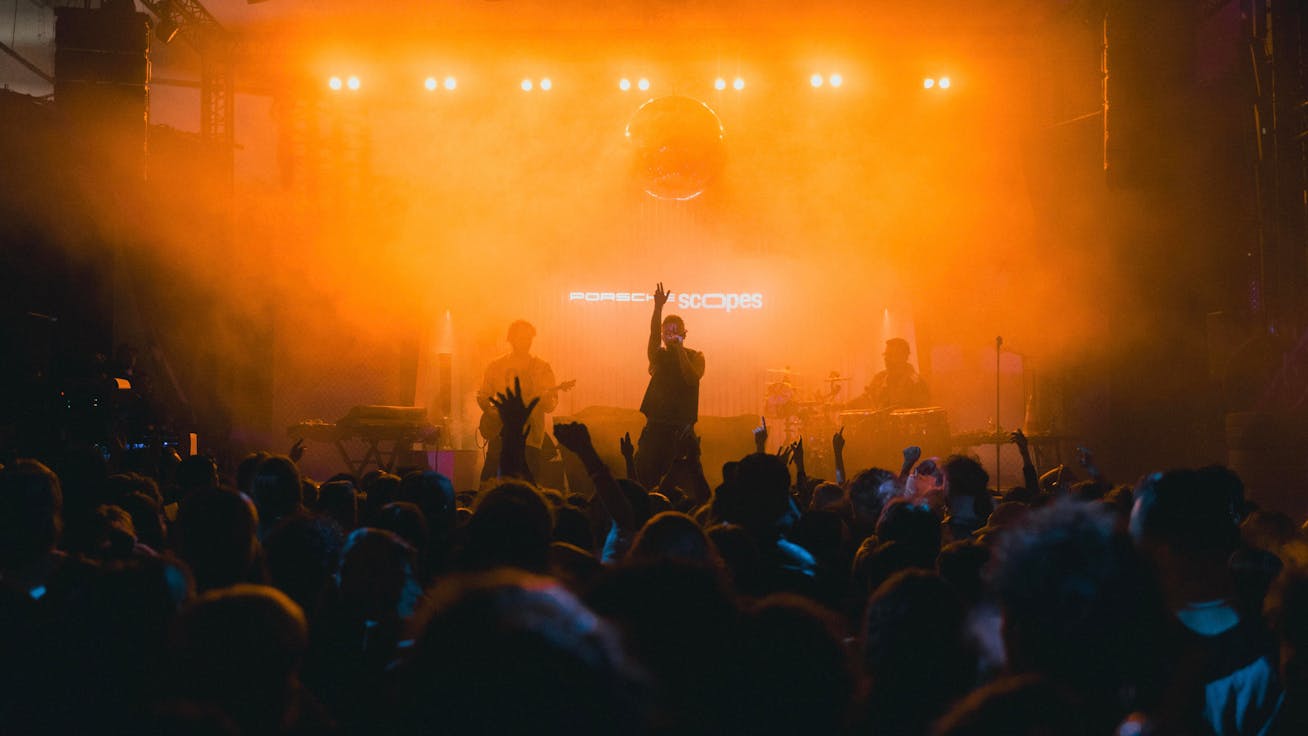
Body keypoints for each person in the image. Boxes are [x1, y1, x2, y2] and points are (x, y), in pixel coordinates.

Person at [635, 283, 705, 487]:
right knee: (647, 478)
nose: (670, 335)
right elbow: (653, 337)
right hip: (656, 426)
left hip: (681, 429)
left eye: (675, 331)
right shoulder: (659, 356)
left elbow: (692, 379)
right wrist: (658, 309)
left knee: (679, 482)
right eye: (667, 332)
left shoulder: (696, 356)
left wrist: (680, 350)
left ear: (685, 334)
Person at [476, 320, 560, 482]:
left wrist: (545, 399)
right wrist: (492, 413)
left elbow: (551, 405)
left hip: (530, 438)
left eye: (529, 338)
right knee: (491, 484)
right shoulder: (496, 366)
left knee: (527, 485)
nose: (526, 342)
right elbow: (484, 395)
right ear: (511, 339)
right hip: (500, 436)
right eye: (522, 338)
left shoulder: (542, 368)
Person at [852, 337, 930, 410]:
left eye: (891, 355)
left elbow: (922, 415)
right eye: (886, 355)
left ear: (904, 357)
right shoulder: (879, 378)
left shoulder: (916, 383)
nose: (886, 359)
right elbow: (866, 398)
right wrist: (844, 406)